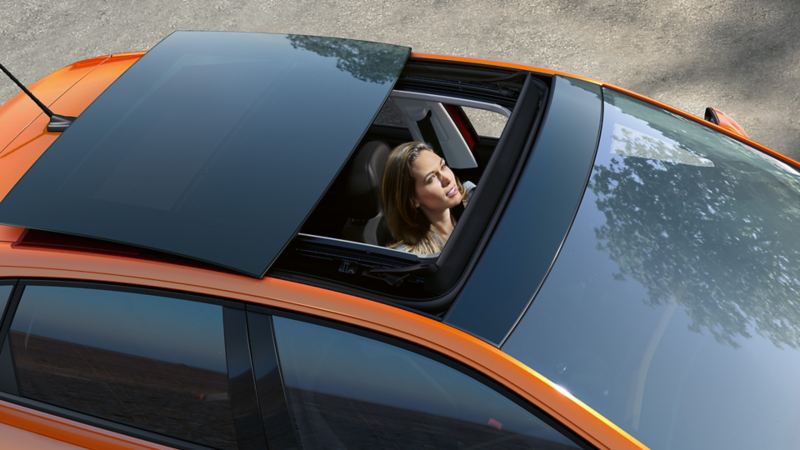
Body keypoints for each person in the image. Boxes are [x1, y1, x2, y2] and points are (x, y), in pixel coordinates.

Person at [380, 141, 475, 257]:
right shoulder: (413, 258)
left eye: (443, 166)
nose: (447, 179)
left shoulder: (475, 199)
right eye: (431, 178)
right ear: (412, 200)